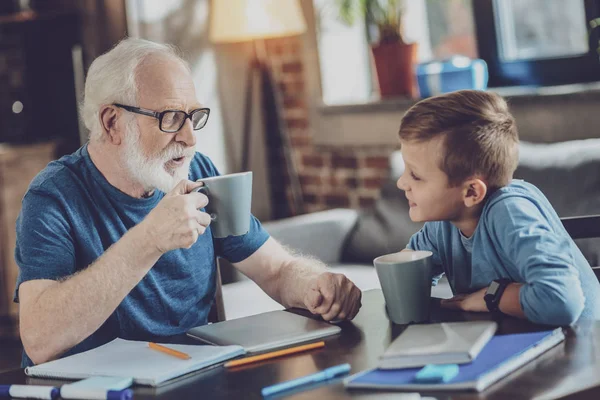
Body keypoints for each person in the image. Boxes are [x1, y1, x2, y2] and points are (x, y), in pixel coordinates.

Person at [14, 38, 362, 367]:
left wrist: (318, 285)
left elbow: (277, 269)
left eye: (193, 116)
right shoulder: (53, 197)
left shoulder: (201, 174)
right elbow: (40, 340)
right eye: (170, 118)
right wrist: (149, 240)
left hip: (196, 378)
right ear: (111, 122)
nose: (190, 137)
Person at [397, 90, 600, 325]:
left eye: (415, 175)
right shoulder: (443, 224)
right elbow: (406, 276)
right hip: (517, 341)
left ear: (472, 192)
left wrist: (492, 295)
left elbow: (563, 301)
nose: (401, 182)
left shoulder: (511, 213)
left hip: (578, 346)